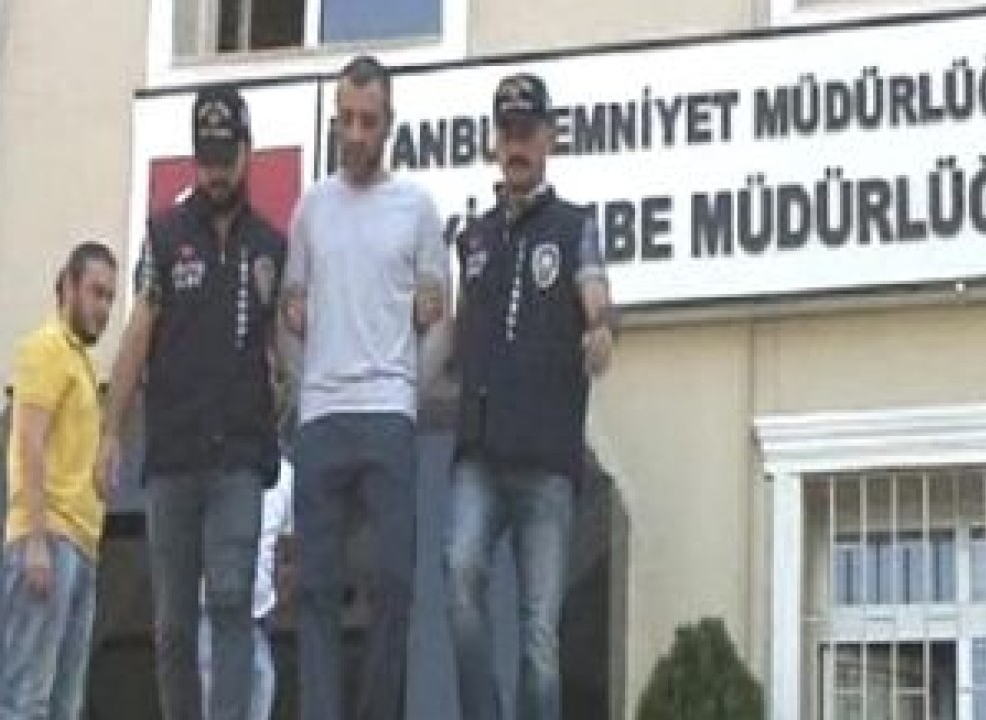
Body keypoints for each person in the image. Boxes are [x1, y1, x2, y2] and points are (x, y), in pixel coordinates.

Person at [98, 85, 287, 720]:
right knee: (174, 624)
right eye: (205, 158)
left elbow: (282, 349)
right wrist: (111, 431)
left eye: (225, 158)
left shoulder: (272, 246)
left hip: (240, 455)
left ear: (247, 152)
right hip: (173, 455)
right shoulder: (163, 235)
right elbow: (136, 335)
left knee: (232, 601)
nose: (215, 173)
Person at [281, 54, 451, 720]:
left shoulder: (417, 209)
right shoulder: (310, 210)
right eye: (345, 119)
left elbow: (441, 321)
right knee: (315, 590)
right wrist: (308, 389)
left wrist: (407, 391)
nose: (354, 133)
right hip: (321, 418)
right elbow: (288, 316)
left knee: (394, 581)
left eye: (367, 121)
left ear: (389, 124)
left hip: (387, 414)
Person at [444, 72, 613, 720]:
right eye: (507, 133)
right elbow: (458, 335)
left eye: (527, 133)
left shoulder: (574, 227)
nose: (516, 146)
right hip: (480, 449)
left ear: (548, 139)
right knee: (459, 571)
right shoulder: (474, 237)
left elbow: (595, 292)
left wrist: (600, 328)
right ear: (496, 141)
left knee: (540, 636)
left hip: (546, 456)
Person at [0, 241, 118, 720]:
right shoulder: (47, 348)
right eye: (95, 293)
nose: (103, 308)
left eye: (109, 297)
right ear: (67, 285)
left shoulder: (82, 364)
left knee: (64, 704)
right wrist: (36, 540)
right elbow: (28, 442)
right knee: (28, 697)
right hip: (51, 537)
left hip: (82, 543)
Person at [197, 461, 294, 720]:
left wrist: (278, 591)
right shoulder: (206, 465)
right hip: (210, 614)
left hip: (258, 618)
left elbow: (286, 548)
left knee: (261, 689)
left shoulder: (285, 475)